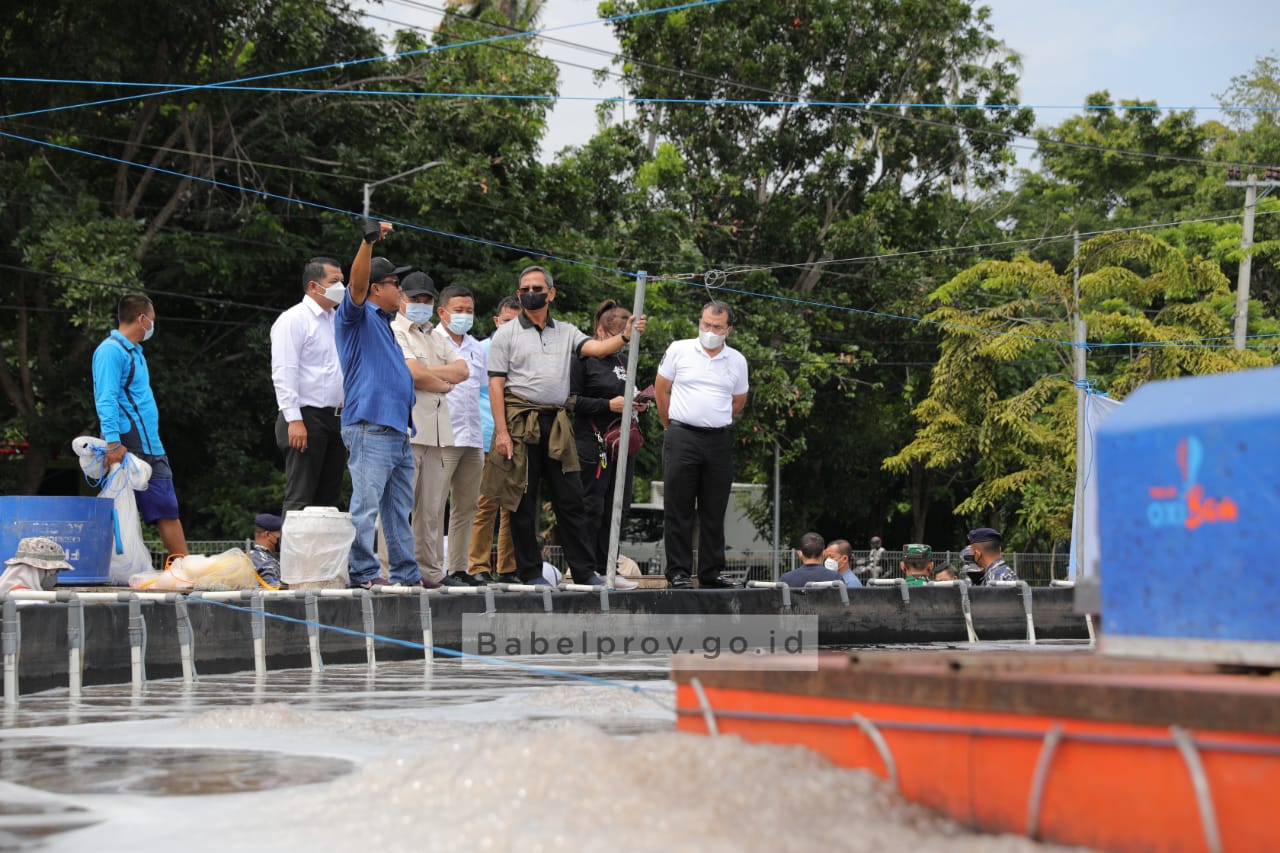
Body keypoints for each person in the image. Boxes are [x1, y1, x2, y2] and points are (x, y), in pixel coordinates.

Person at [482, 265, 643, 587]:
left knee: (571, 499)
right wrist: (501, 432)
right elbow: (495, 385)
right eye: (525, 288)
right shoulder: (506, 334)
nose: (530, 293)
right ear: (518, 294)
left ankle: (583, 571)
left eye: (537, 288)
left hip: (555, 422)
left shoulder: (567, 331)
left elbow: (597, 349)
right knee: (522, 502)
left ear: (550, 293)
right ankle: (529, 572)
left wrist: (626, 335)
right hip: (520, 422)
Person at [335, 222, 423, 589]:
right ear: (376, 289)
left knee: (398, 510)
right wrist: (367, 242)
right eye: (395, 285)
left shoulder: (384, 323)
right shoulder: (355, 316)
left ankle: (405, 573)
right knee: (367, 506)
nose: (400, 292)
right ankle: (364, 572)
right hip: (370, 425)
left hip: (396, 429)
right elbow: (355, 286)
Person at [654, 300, 748, 589]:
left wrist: (714, 419)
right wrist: (670, 424)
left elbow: (738, 401)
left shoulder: (737, 360)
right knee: (678, 507)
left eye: (717, 327)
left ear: (728, 329)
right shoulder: (679, 349)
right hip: (682, 434)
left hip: (717, 439)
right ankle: (678, 572)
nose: (709, 330)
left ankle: (711, 571)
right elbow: (661, 388)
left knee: (714, 508)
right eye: (705, 324)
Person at [92, 293, 188, 570]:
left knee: (166, 507)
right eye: (152, 320)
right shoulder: (111, 351)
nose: (153, 326)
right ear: (142, 318)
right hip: (129, 442)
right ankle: (108, 567)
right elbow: (106, 397)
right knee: (141, 507)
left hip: (149, 443)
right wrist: (112, 441)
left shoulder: (134, 352)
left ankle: (182, 568)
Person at [391, 272, 470, 586]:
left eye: (427, 299)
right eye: (415, 298)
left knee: (432, 509)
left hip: (439, 432)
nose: (421, 304)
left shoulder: (434, 335)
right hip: (408, 428)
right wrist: (441, 381)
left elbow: (462, 370)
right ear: (401, 298)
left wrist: (430, 376)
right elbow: (411, 373)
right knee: (399, 505)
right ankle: (394, 571)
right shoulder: (395, 331)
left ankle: (430, 572)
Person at [570, 299, 647, 587]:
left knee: (619, 505)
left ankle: (608, 567)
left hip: (622, 443)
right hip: (593, 442)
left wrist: (640, 404)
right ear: (602, 332)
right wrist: (607, 405)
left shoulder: (624, 361)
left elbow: (631, 394)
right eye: (620, 337)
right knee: (593, 504)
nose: (623, 344)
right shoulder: (583, 359)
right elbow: (570, 400)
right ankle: (587, 569)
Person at [270, 257, 347, 516]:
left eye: (343, 281)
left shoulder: (338, 320)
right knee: (301, 497)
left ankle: (321, 558)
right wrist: (294, 419)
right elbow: (284, 371)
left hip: (336, 417)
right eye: (334, 282)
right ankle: (294, 558)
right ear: (314, 286)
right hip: (306, 415)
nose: (342, 288)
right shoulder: (294, 319)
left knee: (328, 501)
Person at [429, 284, 489, 586]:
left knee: (467, 506)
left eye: (470, 311)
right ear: (442, 312)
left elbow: (480, 393)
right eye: (459, 311)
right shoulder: (430, 341)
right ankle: (432, 569)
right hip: (441, 435)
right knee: (434, 504)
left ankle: (458, 567)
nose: (465, 316)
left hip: (472, 436)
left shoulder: (477, 347)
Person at [468, 296, 521, 582]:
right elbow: (472, 394)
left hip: (518, 436)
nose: (511, 328)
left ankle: (507, 567)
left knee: (512, 506)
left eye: (517, 322)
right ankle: (477, 566)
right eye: (507, 321)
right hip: (488, 436)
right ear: (496, 321)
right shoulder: (482, 349)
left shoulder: (525, 351)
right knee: (485, 505)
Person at [0, 537, 72, 592]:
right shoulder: (31, 601)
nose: (55, 577)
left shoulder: (6, 593)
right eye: (56, 571)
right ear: (40, 570)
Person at [248, 513, 283, 588]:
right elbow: (275, 592)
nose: (282, 538)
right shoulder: (265, 562)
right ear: (268, 535)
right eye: (280, 534)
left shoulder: (252, 555)